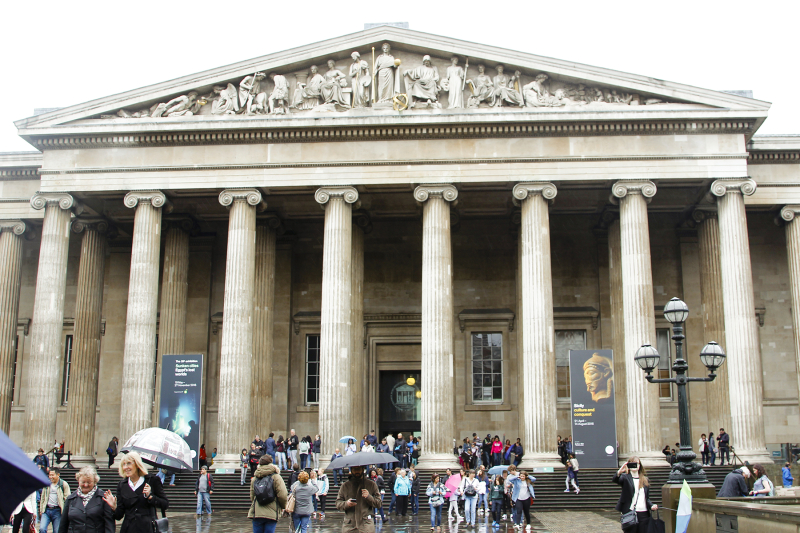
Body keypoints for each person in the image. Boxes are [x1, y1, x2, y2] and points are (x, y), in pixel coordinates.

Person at [103, 451, 169, 533]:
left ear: (137, 464)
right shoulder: (122, 485)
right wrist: (113, 507)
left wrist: (150, 496)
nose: (125, 467)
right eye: (123, 464)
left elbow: (165, 504)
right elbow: (119, 515)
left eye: (129, 463)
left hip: (148, 528)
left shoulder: (152, 480)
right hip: (128, 529)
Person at [59, 466, 114, 533]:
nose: (85, 485)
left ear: (95, 481)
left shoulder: (103, 498)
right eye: (83, 482)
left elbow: (109, 524)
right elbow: (63, 525)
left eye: (89, 482)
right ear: (78, 480)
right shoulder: (71, 499)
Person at [613, 457, 657, 533]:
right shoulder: (625, 478)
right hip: (630, 512)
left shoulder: (645, 479)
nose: (635, 465)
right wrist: (620, 471)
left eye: (636, 463)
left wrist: (651, 505)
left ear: (639, 465)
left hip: (644, 513)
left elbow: (646, 498)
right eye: (632, 463)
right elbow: (615, 480)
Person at [335, 465, 382, 533]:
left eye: (359, 469)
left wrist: (369, 497)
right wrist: (346, 504)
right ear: (351, 470)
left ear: (363, 469)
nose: (357, 471)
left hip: (366, 526)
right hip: (350, 527)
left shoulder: (371, 484)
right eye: (354, 469)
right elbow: (338, 504)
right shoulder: (345, 486)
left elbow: (379, 504)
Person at [249, 455, 288, 533]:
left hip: (257, 513)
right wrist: (283, 506)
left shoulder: (255, 478)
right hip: (272, 513)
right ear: (271, 463)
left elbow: (252, 496)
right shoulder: (276, 477)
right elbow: (282, 495)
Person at [40, 466, 70, 533]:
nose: (50, 477)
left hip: (57, 511)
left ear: (58, 475)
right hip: (46, 510)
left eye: (52, 475)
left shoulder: (63, 484)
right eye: (49, 475)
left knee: (57, 531)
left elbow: (68, 499)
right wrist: (41, 509)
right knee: (42, 529)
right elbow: (42, 497)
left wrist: (65, 511)